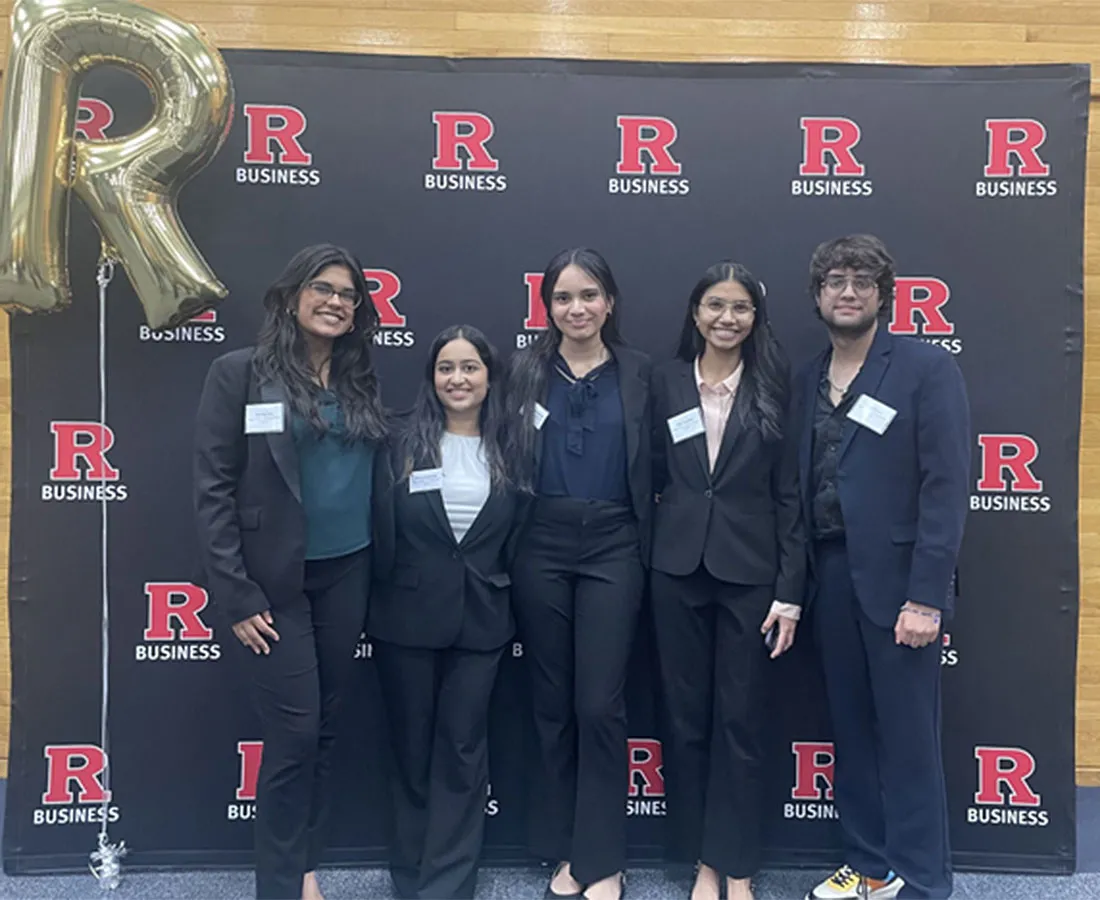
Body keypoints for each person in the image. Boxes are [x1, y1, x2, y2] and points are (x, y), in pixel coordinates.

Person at [193, 244, 387, 900]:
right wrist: (236, 594)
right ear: (292, 295)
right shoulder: (239, 373)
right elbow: (213, 490)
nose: (336, 301)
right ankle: (279, 885)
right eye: (323, 288)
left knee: (327, 730)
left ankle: (305, 866)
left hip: (349, 574)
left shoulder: (360, 379)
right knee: (296, 733)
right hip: (274, 585)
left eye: (348, 294)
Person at [797, 235, 969, 900]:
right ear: (817, 296)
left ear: (882, 295)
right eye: (835, 280)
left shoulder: (927, 368)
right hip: (831, 578)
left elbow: (946, 488)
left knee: (909, 739)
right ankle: (869, 866)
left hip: (902, 586)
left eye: (861, 281)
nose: (847, 291)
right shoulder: (808, 378)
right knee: (850, 729)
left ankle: (924, 879)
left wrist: (927, 596)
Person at [650, 262, 805, 900]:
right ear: (695, 313)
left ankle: (735, 863)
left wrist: (791, 591)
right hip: (675, 570)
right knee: (685, 721)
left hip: (751, 575)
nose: (727, 318)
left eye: (740, 307)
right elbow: (645, 479)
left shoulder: (775, 385)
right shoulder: (662, 381)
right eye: (715, 305)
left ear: (754, 318)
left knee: (740, 721)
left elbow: (790, 494)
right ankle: (700, 863)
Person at [506, 248, 651, 900]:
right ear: (548, 307)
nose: (577, 308)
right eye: (563, 297)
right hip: (541, 542)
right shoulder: (524, 372)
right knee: (551, 704)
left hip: (616, 543)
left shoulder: (644, 375)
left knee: (599, 704)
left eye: (589, 294)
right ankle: (562, 849)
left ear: (610, 302)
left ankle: (604, 859)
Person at [369, 325, 520, 900]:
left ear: (489, 377)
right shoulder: (399, 441)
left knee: (463, 751)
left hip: (482, 619)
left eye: (470, 368)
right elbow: (378, 528)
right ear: (432, 378)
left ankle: (448, 886)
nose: (458, 379)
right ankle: (410, 878)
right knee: (410, 749)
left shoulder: (512, 445)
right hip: (403, 618)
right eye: (446, 368)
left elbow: (521, 534)